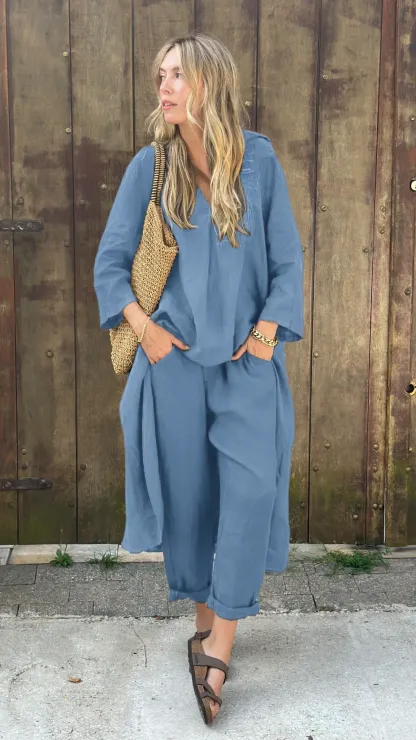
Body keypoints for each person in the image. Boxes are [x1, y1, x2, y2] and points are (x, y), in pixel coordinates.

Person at [94, 32, 304, 725]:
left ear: (211, 82)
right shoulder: (152, 167)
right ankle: (205, 625)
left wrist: (267, 334)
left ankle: (218, 646)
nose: (165, 86)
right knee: (191, 502)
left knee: (248, 495)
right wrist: (146, 331)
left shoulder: (259, 161)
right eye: (161, 74)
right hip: (175, 367)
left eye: (178, 74)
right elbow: (110, 265)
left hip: (248, 365)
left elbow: (287, 260)